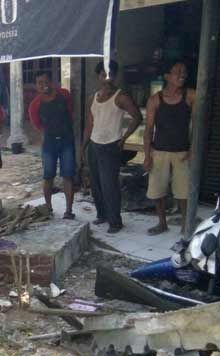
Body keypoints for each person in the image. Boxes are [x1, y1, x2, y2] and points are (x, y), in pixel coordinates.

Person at [82, 60, 142, 234]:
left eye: (110, 74)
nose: (107, 77)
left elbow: (137, 117)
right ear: (98, 75)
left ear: (115, 75)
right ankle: (102, 214)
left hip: (110, 147)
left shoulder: (121, 97)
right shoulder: (92, 98)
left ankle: (115, 222)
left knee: (110, 186)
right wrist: (83, 148)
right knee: (96, 184)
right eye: (103, 74)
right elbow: (89, 125)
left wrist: (124, 138)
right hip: (94, 145)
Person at [144, 60, 196, 236]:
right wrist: (147, 155)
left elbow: (199, 126)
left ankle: (185, 225)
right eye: (178, 71)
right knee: (158, 191)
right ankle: (162, 223)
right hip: (159, 151)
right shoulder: (155, 100)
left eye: (184, 71)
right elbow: (149, 129)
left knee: (183, 193)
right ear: (167, 76)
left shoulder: (190, 96)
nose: (182, 74)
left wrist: (192, 150)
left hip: (182, 152)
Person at [28, 71, 77, 219]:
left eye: (46, 81)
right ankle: (48, 208)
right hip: (49, 143)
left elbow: (71, 112)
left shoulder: (64, 94)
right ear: (36, 86)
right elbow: (37, 124)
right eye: (40, 83)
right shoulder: (34, 105)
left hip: (67, 141)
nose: (44, 85)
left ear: (52, 81)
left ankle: (69, 210)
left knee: (68, 176)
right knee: (48, 176)